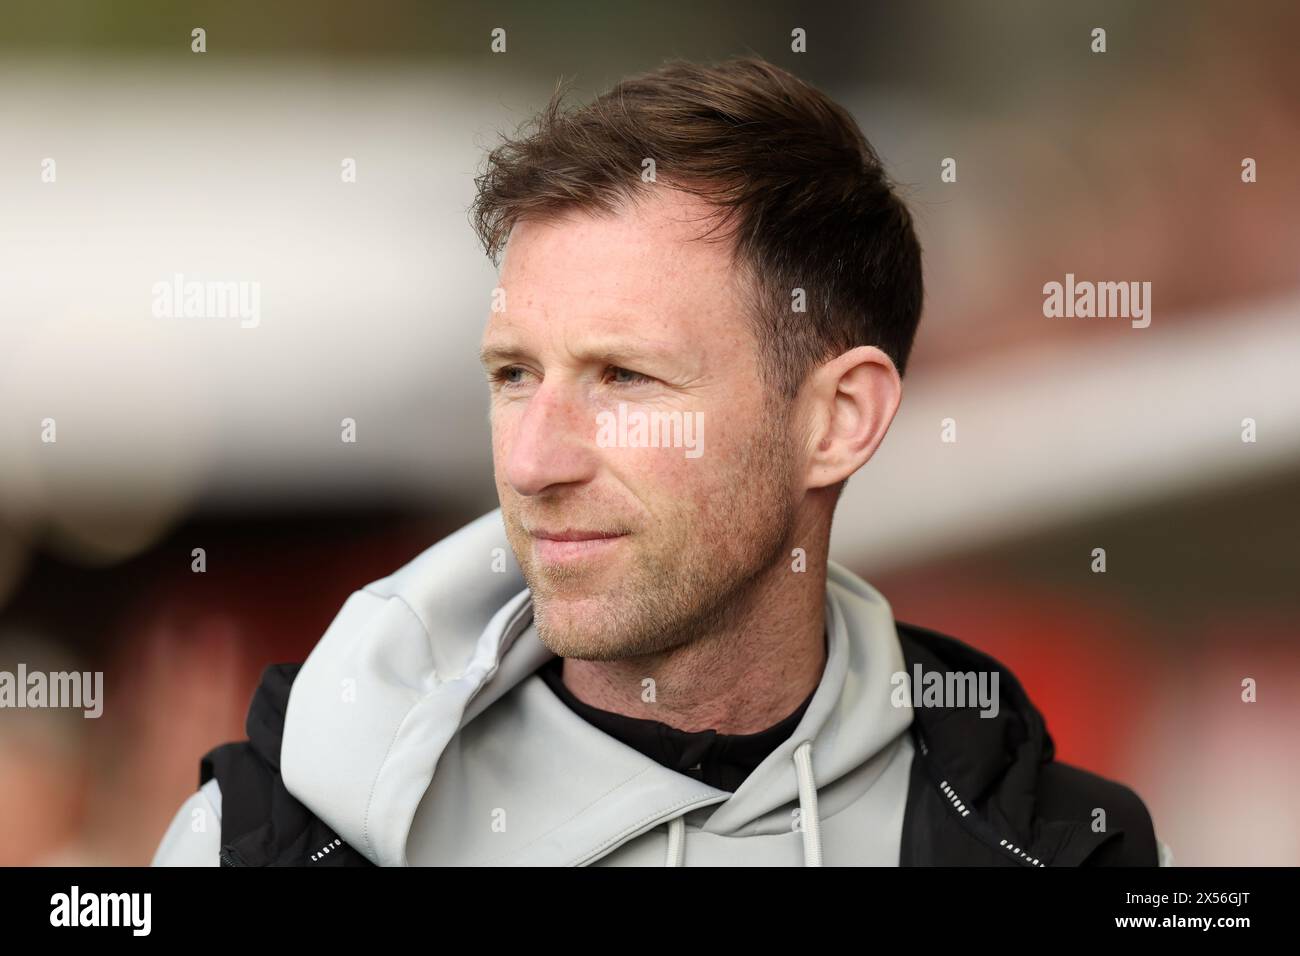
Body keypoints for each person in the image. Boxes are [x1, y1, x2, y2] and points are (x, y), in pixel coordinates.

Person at [152, 55, 1170, 867]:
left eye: (625, 378)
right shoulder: (263, 838)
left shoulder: (1060, 845)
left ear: (838, 420)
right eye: (513, 374)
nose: (534, 461)